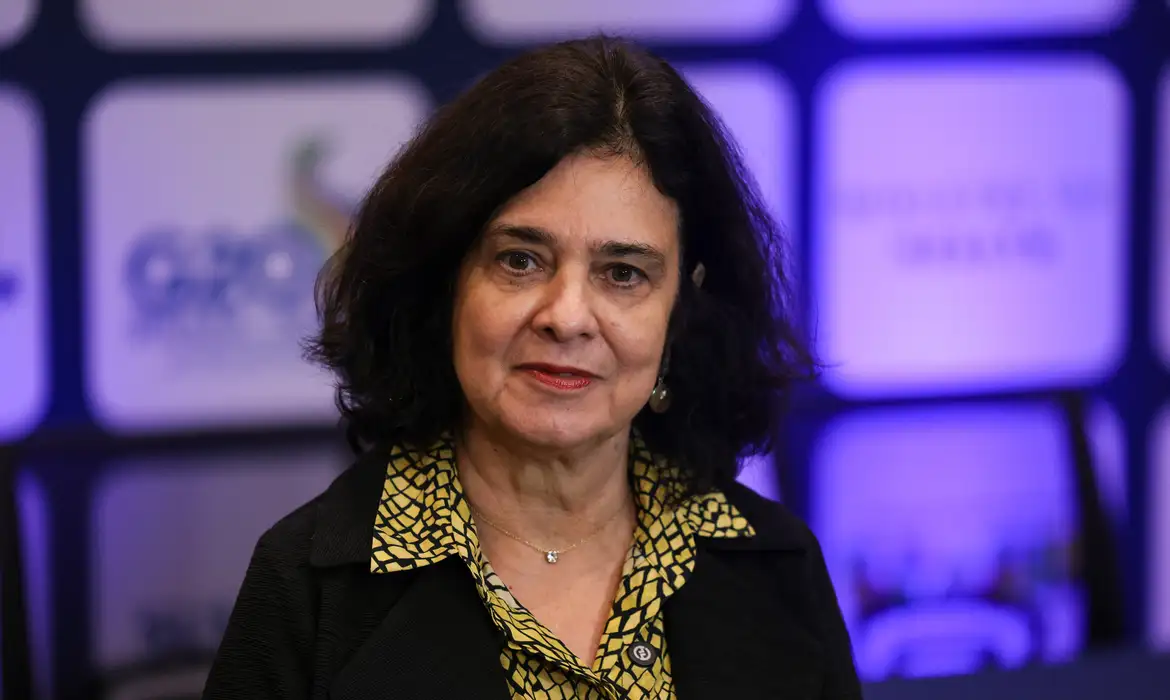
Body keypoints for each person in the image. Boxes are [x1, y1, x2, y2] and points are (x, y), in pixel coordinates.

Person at [202, 35, 861, 700]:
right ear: (445, 282)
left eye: (623, 273)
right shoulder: (310, 586)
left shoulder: (777, 565)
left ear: (682, 308)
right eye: (520, 260)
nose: (566, 317)